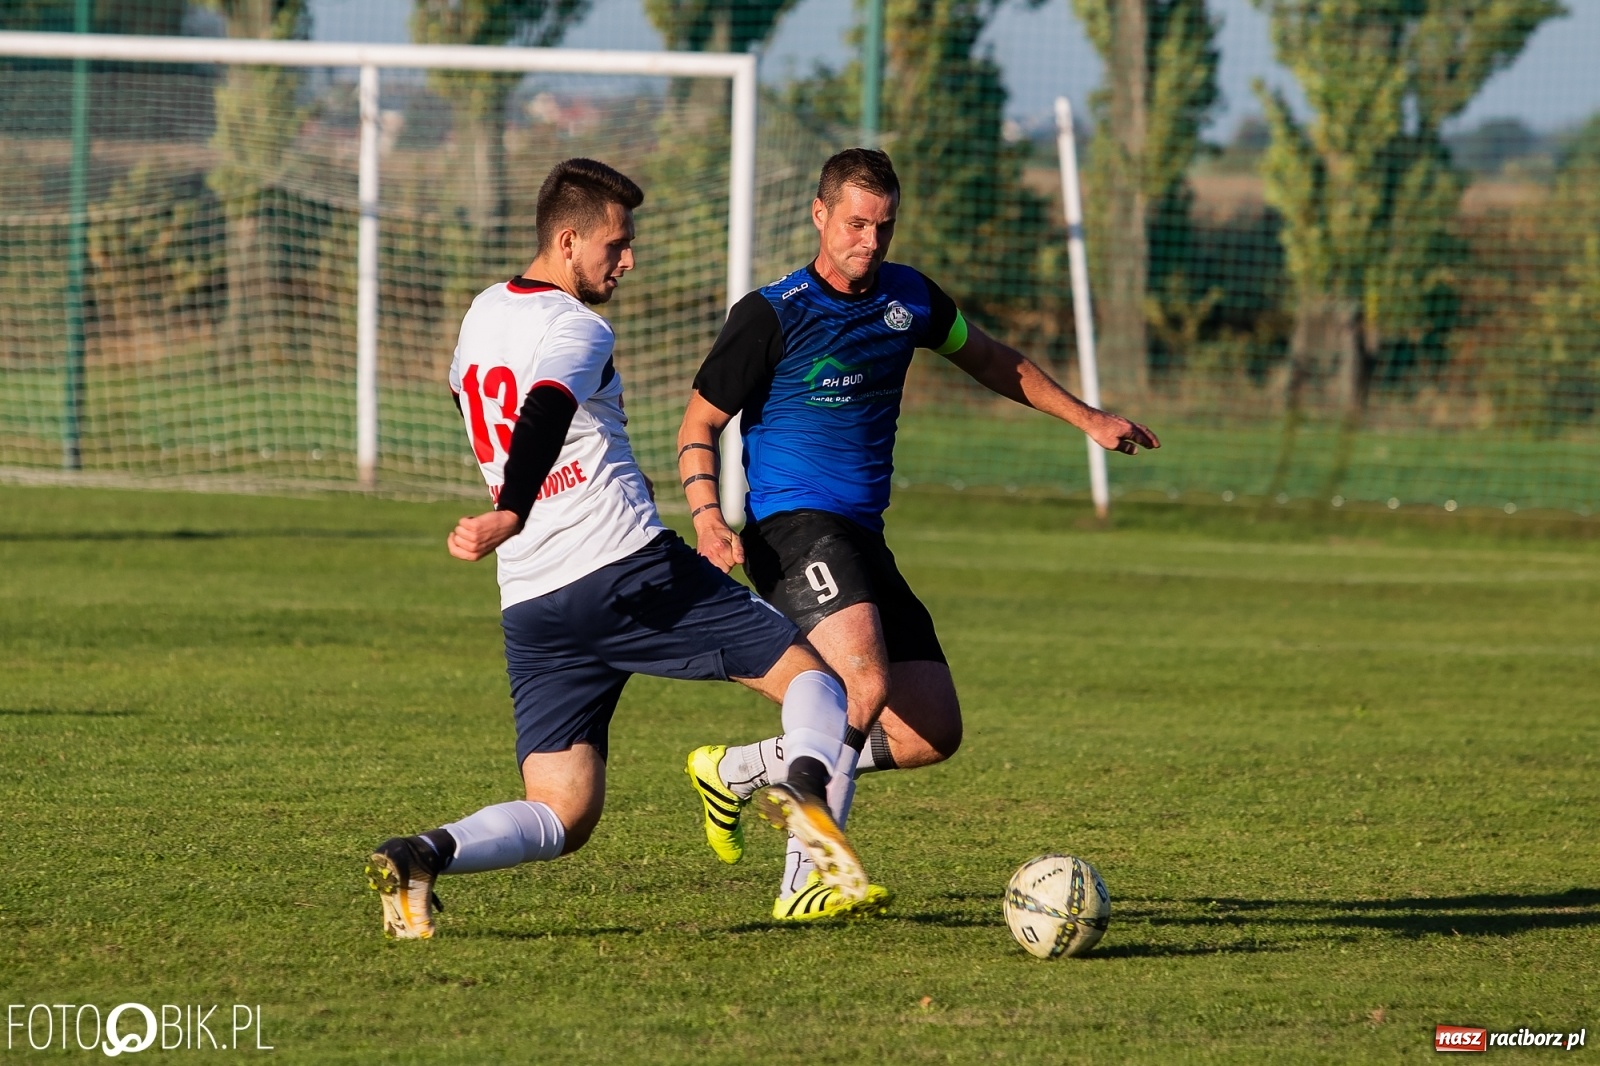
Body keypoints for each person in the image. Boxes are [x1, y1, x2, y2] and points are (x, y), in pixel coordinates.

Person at [366, 158, 877, 940]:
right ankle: (807, 795)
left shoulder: (481, 314)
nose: (628, 259)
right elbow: (544, 407)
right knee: (819, 682)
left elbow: (494, 403)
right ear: (568, 241)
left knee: (564, 810)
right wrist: (512, 506)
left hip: (534, 599)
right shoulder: (575, 326)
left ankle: (422, 853)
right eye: (616, 244)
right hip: (622, 567)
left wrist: (515, 511)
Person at [677, 148, 1159, 921]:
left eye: (884, 226)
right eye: (856, 224)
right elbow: (699, 422)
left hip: (862, 533)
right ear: (820, 215)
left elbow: (995, 360)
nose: (870, 241)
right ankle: (807, 873)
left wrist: (1090, 418)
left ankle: (738, 771)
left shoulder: (910, 297)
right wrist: (707, 517)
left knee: (932, 728)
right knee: (859, 686)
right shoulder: (771, 312)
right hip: (789, 526)